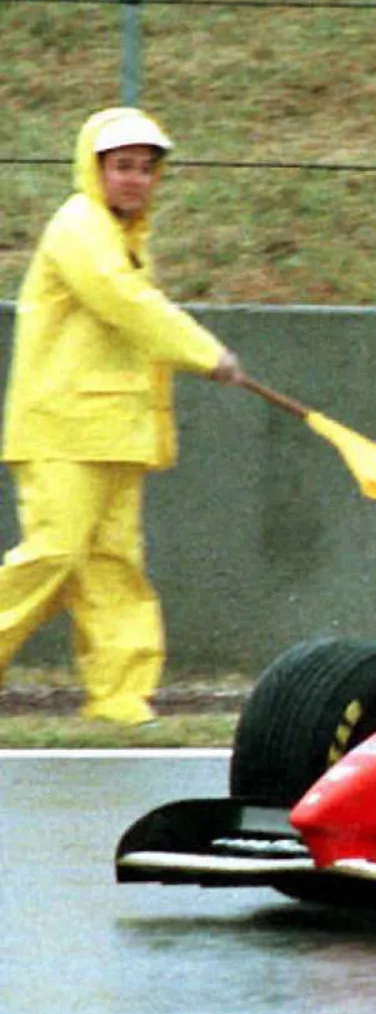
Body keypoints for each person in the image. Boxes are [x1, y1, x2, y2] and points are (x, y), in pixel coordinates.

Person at [0, 107, 246, 725]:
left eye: (144, 168)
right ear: (94, 168)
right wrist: (206, 353)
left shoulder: (123, 239)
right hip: (61, 431)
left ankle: (119, 698)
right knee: (53, 556)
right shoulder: (80, 228)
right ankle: (118, 693)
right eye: (121, 167)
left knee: (114, 568)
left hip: (113, 434)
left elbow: (132, 322)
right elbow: (128, 305)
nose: (134, 179)